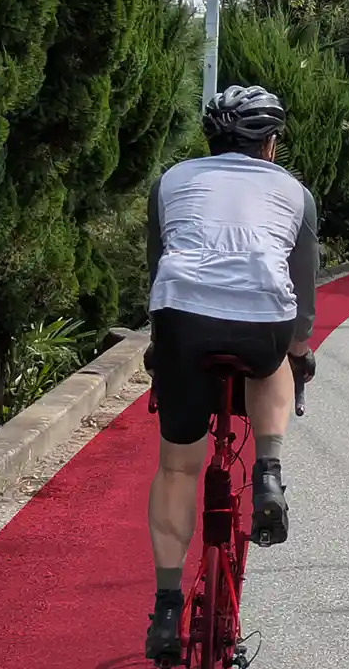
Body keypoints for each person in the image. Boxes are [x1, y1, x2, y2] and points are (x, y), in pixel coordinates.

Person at [143, 85, 318, 661]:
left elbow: (158, 267)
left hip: (180, 320)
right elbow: (302, 292)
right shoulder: (294, 191)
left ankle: (167, 610)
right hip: (260, 324)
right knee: (277, 359)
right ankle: (267, 470)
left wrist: (163, 347)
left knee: (177, 467)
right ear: (270, 144)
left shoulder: (171, 181)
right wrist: (300, 351)